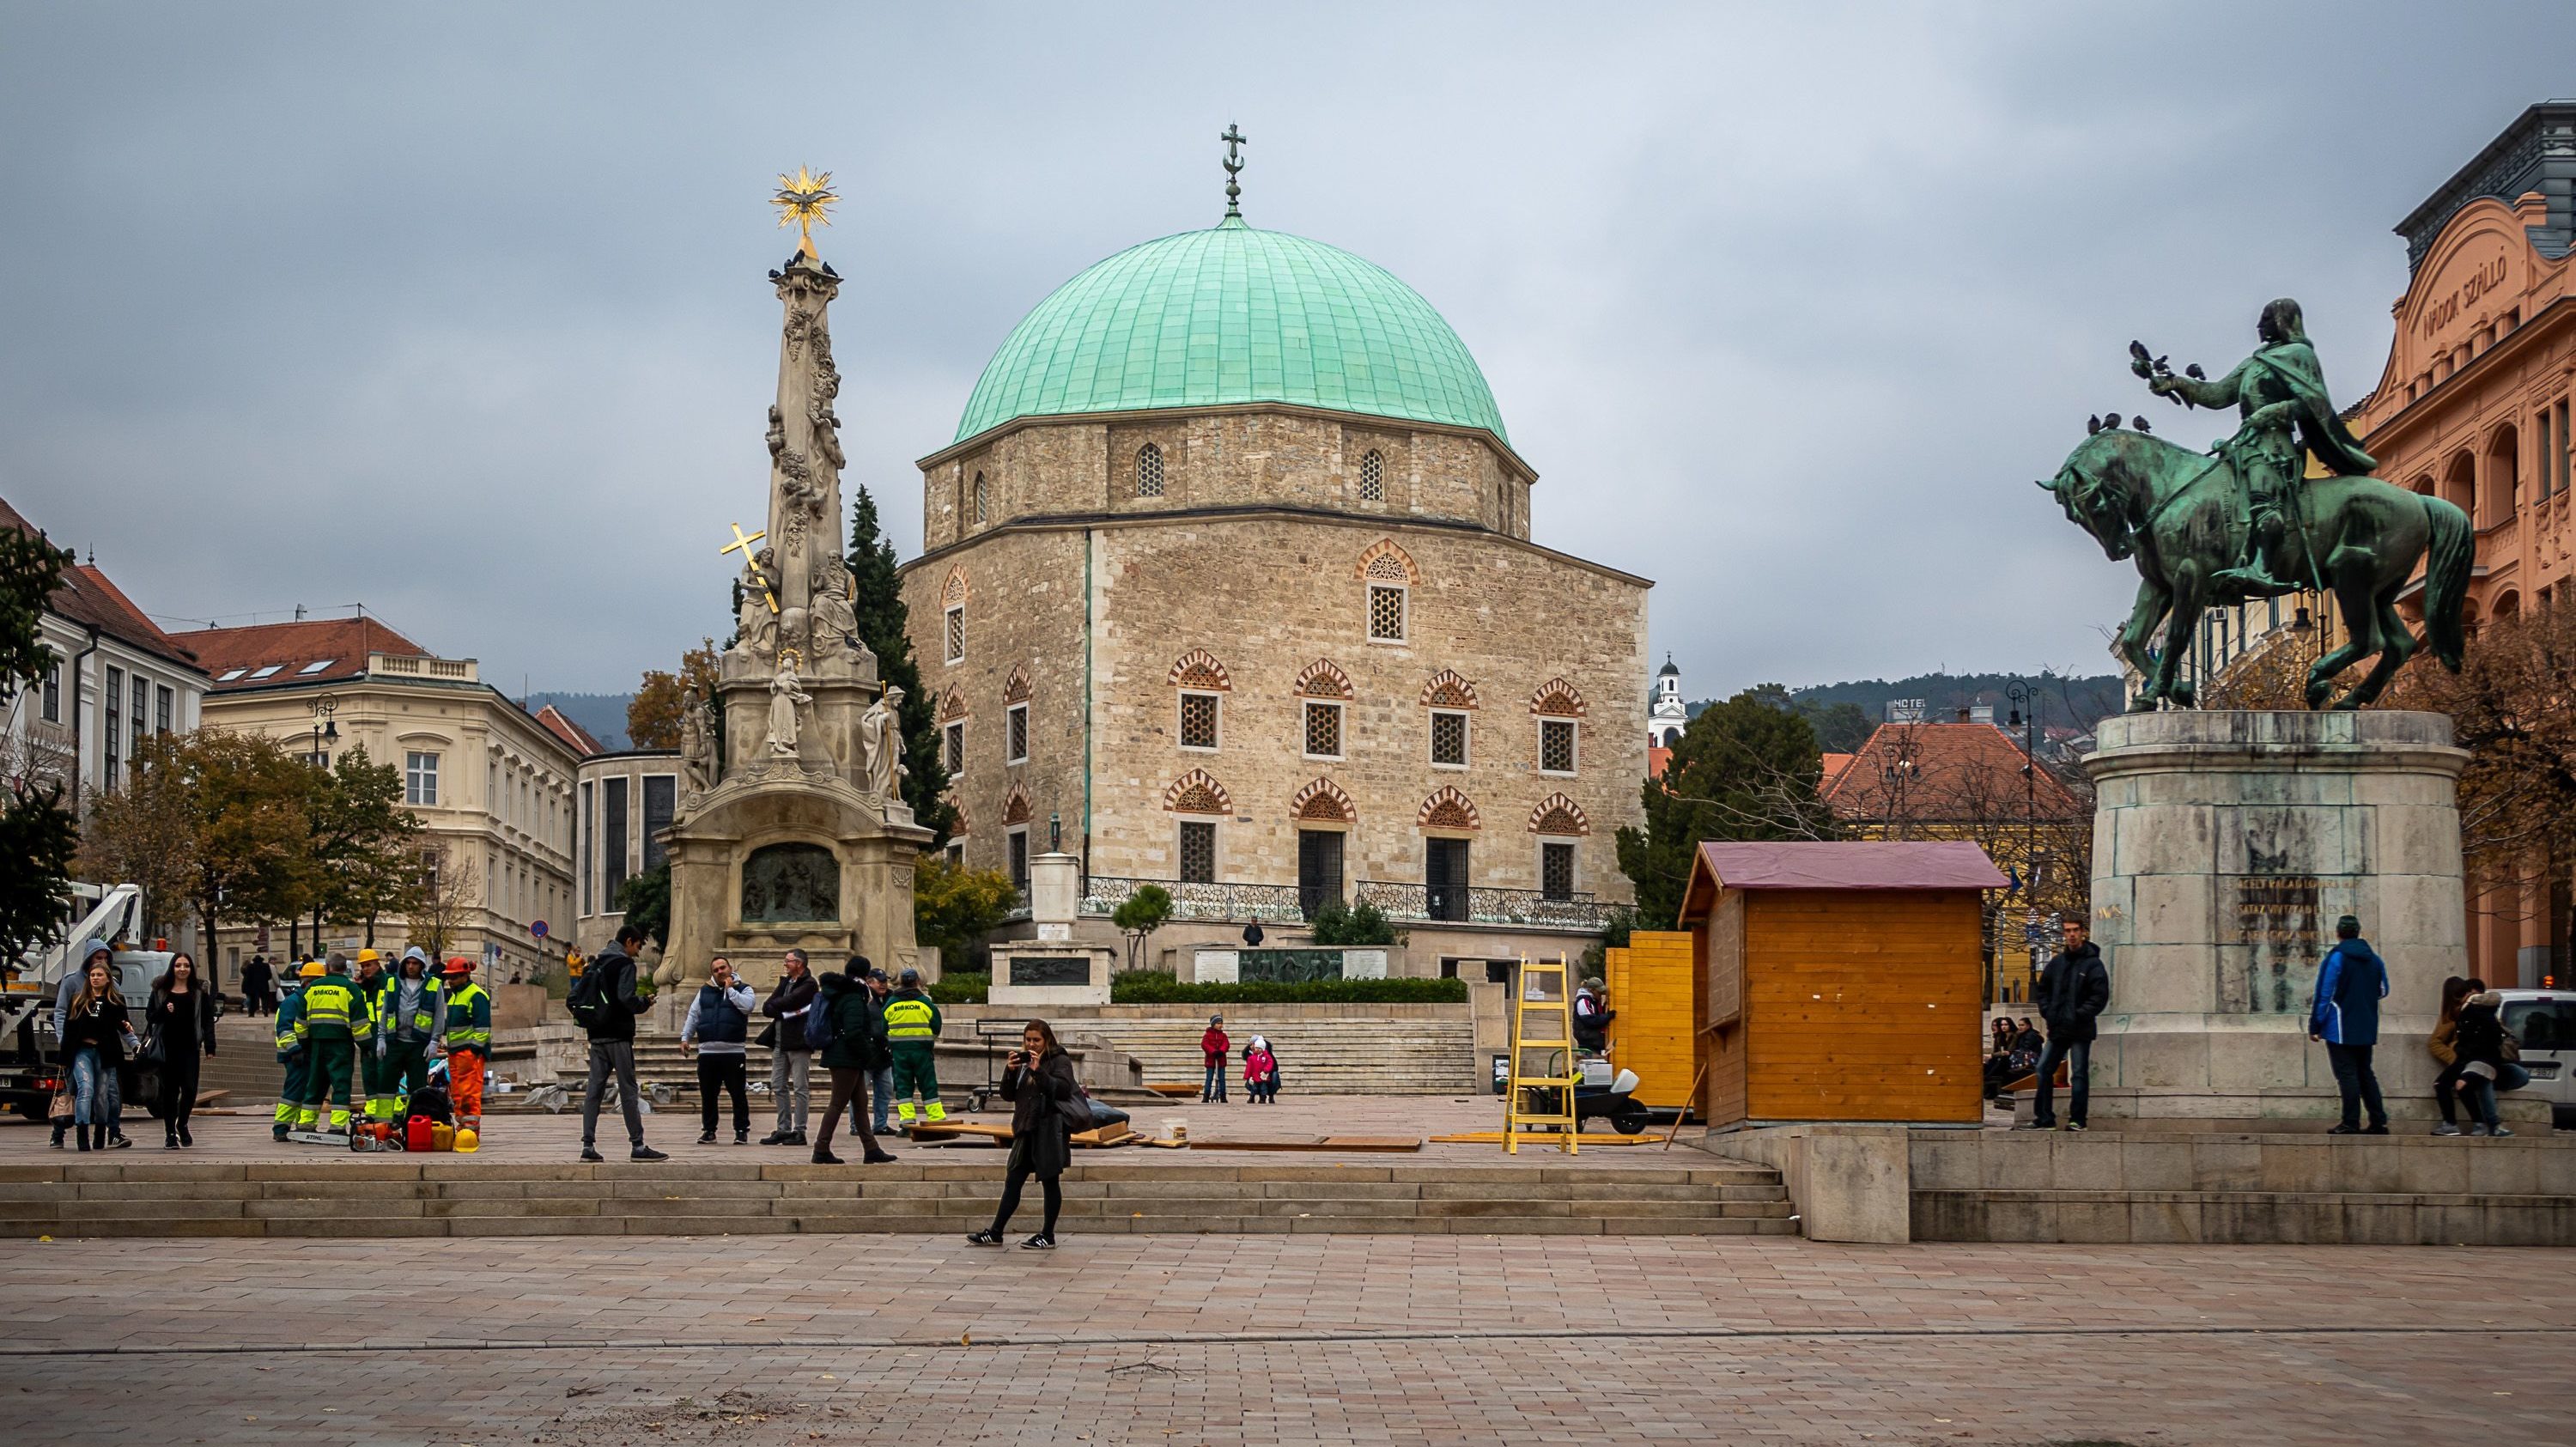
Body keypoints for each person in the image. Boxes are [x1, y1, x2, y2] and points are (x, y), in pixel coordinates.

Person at [2143, 296, 2378, 594]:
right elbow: (2217, 394)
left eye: (2266, 319)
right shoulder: (2256, 361)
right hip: (2246, 443)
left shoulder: (2299, 355)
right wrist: (2176, 383)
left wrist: (2274, 411)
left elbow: (2314, 403)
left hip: (2274, 446)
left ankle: (2263, 567)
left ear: (2282, 321)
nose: (2259, 325)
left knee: (2264, 501)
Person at [967, 1019, 1077, 1249]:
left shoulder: (1059, 1060)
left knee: (1050, 1181)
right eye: (1028, 1040)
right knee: (1013, 1180)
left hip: (1048, 1129)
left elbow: (1064, 1090)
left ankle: (1048, 1235)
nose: (1031, 1044)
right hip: (1025, 1128)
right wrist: (1010, 1070)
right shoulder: (1022, 1062)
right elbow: (1007, 1095)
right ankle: (996, 1231)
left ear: (1047, 1039)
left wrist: (1039, 1073)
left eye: (1036, 1040)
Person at [579, 924, 666, 1163]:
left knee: (594, 1091)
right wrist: (644, 1002)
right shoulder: (623, 964)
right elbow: (626, 999)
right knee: (628, 1089)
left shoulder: (596, 963)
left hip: (596, 1034)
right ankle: (637, 1145)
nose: (637, 953)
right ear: (629, 941)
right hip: (618, 1035)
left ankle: (588, 1145)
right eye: (638, 946)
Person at [2024, 917, 2108, 1132]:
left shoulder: (2093, 964)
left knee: (2078, 1073)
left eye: (2075, 930)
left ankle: (2078, 1119)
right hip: (2058, 1027)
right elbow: (2043, 990)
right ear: (2063, 934)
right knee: (2043, 1069)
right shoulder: (2057, 963)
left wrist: (2078, 1014)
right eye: (2068, 931)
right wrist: (2049, 1013)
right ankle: (2044, 1118)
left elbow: (2099, 997)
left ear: (2083, 933)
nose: (2071, 935)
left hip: (2080, 1028)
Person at [2308, 915, 2391, 1135]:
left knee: (2347, 1075)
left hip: (2340, 1026)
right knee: (2366, 1073)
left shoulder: (2336, 958)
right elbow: (2383, 990)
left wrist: (2315, 1025)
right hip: (2366, 1025)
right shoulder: (2374, 959)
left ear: (2338, 933)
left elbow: (2325, 993)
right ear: (2358, 931)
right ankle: (2378, 1121)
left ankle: (2350, 1122)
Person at [809, 959, 896, 1165]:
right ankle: (821, 1148)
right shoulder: (854, 997)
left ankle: (871, 1148)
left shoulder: (843, 993)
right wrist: (869, 1055)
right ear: (865, 975)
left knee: (860, 1103)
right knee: (837, 1103)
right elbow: (854, 1031)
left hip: (845, 1055)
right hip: (846, 1057)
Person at [60, 952, 137, 1152]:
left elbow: (122, 1024)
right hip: (82, 1052)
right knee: (85, 1090)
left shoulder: (115, 1001)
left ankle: (100, 1134)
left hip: (105, 1053)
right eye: (92, 975)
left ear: (107, 979)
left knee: (102, 1096)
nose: (95, 978)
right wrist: (64, 1057)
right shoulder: (78, 1000)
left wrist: (128, 1029)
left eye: (99, 975)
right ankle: (82, 1135)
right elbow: (69, 1029)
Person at [52, 940, 124, 1149]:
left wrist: (133, 1042)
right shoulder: (72, 983)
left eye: (105, 959)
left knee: (108, 1093)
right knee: (75, 1089)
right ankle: (59, 1132)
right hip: (78, 1048)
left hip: (103, 1051)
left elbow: (120, 1021)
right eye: (98, 958)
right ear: (88, 959)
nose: (102, 963)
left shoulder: (113, 986)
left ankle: (113, 1132)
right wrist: (63, 1041)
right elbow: (61, 1013)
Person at [291, 952, 370, 1139]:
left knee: (315, 1084)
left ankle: (306, 1124)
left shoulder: (312, 988)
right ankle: (337, 1126)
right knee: (341, 1084)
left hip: (317, 1043)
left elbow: (300, 1022)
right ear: (345, 969)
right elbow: (360, 1024)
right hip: (341, 1044)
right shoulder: (351, 989)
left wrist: (304, 1044)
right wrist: (367, 1046)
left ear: (327, 967)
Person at [682, 956, 757, 1145]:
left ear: (730, 968)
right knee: (708, 1095)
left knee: (737, 1093)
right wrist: (685, 1037)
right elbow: (694, 1014)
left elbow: (747, 1007)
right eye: (716, 970)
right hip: (707, 1052)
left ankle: (741, 1130)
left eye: (723, 968)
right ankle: (709, 1130)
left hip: (733, 1051)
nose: (720, 972)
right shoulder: (704, 991)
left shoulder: (743, 989)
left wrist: (730, 989)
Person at [368, 948, 444, 1133]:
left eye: (415, 963)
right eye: (408, 963)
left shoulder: (434, 984)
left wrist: (435, 1041)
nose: (411, 967)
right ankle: (383, 1126)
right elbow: (385, 1013)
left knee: (417, 1089)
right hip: (394, 1043)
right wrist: (381, 1039)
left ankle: (413, 1125)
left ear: (422, 965)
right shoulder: (393, 982)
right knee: (386, 1087)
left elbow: (439, 1015)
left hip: (419, 1045)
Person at [147, 952, 217, 1149]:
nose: (182, 969)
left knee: (190, 1089)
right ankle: (170, 1133)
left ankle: (182, 1123)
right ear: (172, 968)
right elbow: (150, 1017)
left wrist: (210, 1045)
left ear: (191, 969)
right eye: (178, 965)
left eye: (186, 965)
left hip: (190, 1048)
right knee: (169, 1092)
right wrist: (163, 1011)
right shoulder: (160, 990)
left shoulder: (198, 992)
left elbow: (207, 1020)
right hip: (166, 1048)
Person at [2452, 982, 2528, 1138]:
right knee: (2484, 1078)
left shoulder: (2480, 1014)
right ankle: (2493, 1124)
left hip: (2488, 1062)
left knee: (2517, 1075)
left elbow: (2491, 1042)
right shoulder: (2473, 1014)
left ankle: (2490, 1124)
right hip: (2479, 1064)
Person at [759, 950, 818, 1146]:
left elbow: (790, 1001)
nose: (785, 964)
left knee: (800, 1087)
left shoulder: (809, 984)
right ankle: (783, 1129)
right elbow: (767, 1007)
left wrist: (778, 1006)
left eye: (788, 961)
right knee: (778, 1085)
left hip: (799, 1042)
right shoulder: (785, 982)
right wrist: (778, 1006)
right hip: (779, 1041)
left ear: (799, 963)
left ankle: (799, 1131)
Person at [882, 967, 946, 1128]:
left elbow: (883, 1027)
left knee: (903, 1086)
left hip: (899, 1053)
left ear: (901, 982)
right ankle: (936, 1118)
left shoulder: (891, 1003)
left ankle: (907, 1121)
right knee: (928, 1084)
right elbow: (936, 1025)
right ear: (917, 982)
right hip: (922, 1051)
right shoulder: (925, 1003)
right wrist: (928, 1040)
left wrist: (893, 1042)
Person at [439, 957, 491, 1134]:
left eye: (454, 977)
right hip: (456, 1053)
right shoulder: (456, 996)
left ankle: (471, 1129)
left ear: (465, 976)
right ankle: (463, 1126)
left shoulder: (476, 995)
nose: (450, 981)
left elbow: (483, 1028)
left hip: (469, 1053)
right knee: (458, 1093)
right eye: (449, 977)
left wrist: (474, 1050)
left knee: (469, 1093)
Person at [2427, 975, 2473, 1136]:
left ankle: (2452, 1124)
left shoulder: (2463, 1011)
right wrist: (2452, 1056)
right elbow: (2435, 1042)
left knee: (2443, 1085)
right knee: (2455, 1086)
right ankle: (2480, 1124)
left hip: (2471, 1059)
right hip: (2468, 1059)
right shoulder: (2453, 1015)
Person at [865, 968, 897, 1136]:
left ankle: (880, 1124)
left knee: (885, 1091)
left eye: (885, 980)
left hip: (885, 1054)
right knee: (860, 1094)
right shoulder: (865, 998)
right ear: (869, 982)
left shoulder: (891, 998)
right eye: (880, 981)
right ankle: (857, 1126)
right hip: (867, 1054)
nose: (884, 984)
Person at [1573, 977, 1613, 1054]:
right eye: (1599, 992)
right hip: (1588, 1041)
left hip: (1591, 1039)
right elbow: (1591, 1021)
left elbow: (1595, 1015)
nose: (1601, 995)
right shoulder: (1584, 1001)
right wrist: (1608, 1016)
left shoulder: (1591, 1000)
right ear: (1592, 990)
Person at [1199, 1014, 1230, 1103]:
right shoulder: (1207, 1035)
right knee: (1209, 1078)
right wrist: (1213, 1051)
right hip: (1211, 1060)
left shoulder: (1223, 1035)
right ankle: (1206, 1095)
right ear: (1213, 1024)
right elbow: (1204, 1044)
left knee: (1222, 1079)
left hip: (1221, 1060)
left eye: (1221, 1023)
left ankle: (1223, 1096)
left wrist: (1221, 1051)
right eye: (1218, 1023)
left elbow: (1226, 1044)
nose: (1220, 1025)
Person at [1244, 1036, 1279, 1103]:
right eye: (1251, 1045)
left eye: (1258, 1048)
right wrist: (1248, 1077)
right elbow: (1249, 1067)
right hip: (1254, 1077)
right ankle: (1252, 1098)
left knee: (1263, 1088)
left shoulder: (1267, 1056)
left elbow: (1270, 1064)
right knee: (1254, 1088)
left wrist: (1266, 1071)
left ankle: (1263, 1098)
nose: (1253, 1047)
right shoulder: (1251, 1057)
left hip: (1264, 1077)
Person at [240, 953, 276, 1017]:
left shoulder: (251, 966)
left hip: (254, 986)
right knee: (264, 999)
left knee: (253, 999)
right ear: (261, 960)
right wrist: (265, 979)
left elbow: (248, 977)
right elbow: (269, 976)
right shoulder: (266, 966)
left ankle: (252, 1012)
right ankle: (265, 1010)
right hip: (264, 985)